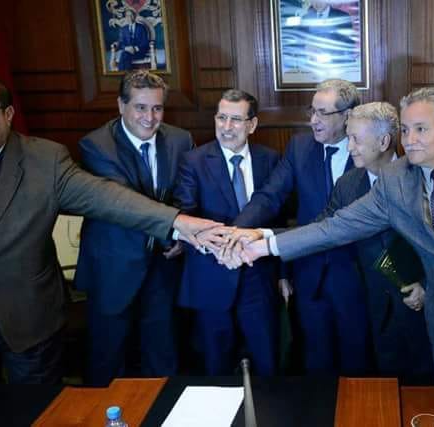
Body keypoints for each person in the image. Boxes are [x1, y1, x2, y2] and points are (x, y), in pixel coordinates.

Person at [233, 87, 434, 384]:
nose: (409, 140)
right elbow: (334, 227)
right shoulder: (394, 180)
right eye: (405, 130)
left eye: (421, 129)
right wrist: (264, 245)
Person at [0, 76, 216, 384]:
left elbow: (108, 198)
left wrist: (178, 223)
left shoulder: (45, 160)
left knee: (40, 407)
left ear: (8, 114)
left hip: (29, 321)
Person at [208, 79, 374, 376]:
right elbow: (269, 197)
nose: (313, 120)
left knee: (360, 366)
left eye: (323, 113)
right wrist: (236, 231)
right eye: (312, 111)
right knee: (315, 365)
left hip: (358, 276)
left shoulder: (370, 148)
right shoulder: (300, 147)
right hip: (310, 275)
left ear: (347, 115)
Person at [74, 70, 193, 385]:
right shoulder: (96, 146)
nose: (150, 118)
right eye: (140, 107)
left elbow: (185, 193)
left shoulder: (180, 140)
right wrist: (174, 231)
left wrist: (181, 240)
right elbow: (124, 204)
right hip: (113, 267)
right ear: (120, 105)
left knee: (163, 360)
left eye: (157, 108)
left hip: (163, 268)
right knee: (108, 363)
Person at [318, 102, 434, 384]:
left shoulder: (424, 177)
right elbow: (321, 229)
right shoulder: (347, 184)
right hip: (367, 313)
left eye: (356, 139)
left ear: (383, 142)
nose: (349, 148)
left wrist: (427, 286)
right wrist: (265, 238)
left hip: (420, 312)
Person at [173, 89, 281, 375]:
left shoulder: (270, 159)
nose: (226, 127)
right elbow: (185, 215)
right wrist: (224, 247)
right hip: (211, 277)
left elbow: (280, 217)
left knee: (267, 365)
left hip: (258, 278)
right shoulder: (193, 161)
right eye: (221, 118)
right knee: (215, 369)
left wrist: (284, 274)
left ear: (252, 125)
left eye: (235, 119)